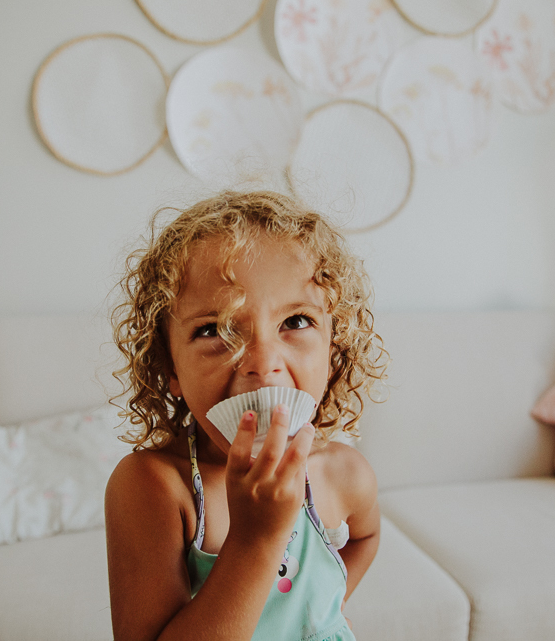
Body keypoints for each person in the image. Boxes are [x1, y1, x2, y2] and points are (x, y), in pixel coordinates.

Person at [105, 190, 386, 641]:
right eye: (213, 329)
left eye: (295, 322)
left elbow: (366, 540)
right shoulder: (154, 488)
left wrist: (318, 616)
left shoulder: (345, 473)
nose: (262, 360)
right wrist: (256, 538)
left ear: (334, 352)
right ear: (169, 368)